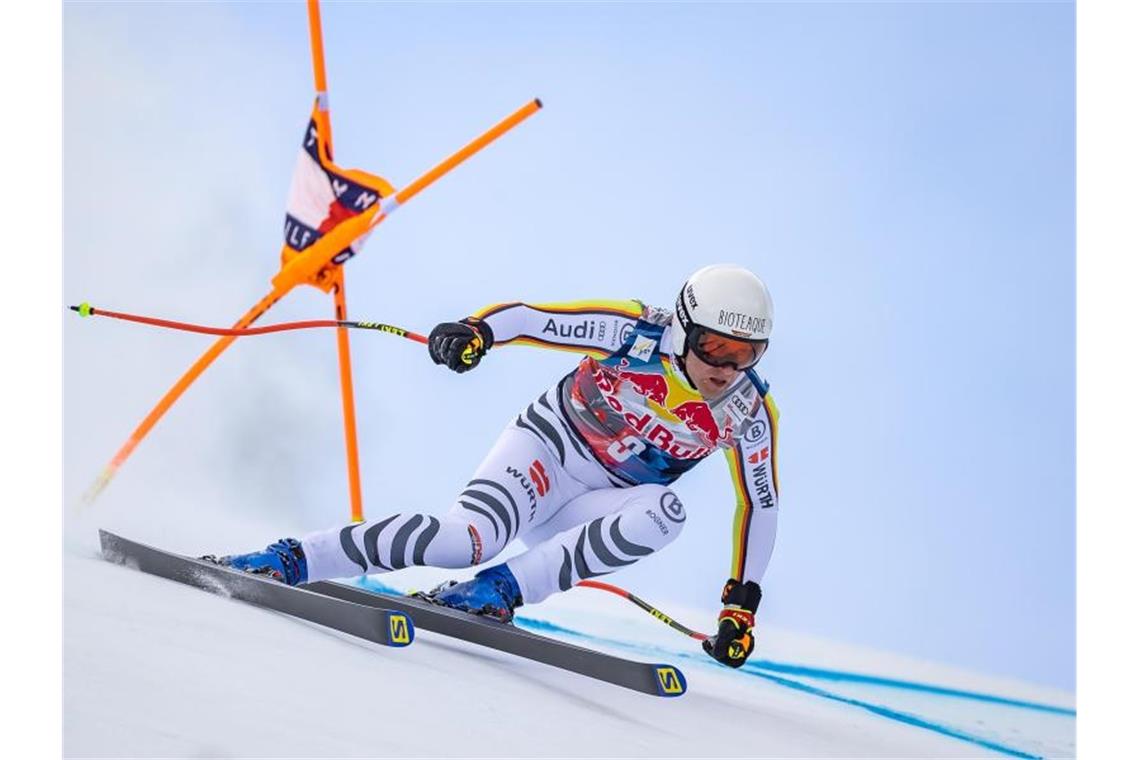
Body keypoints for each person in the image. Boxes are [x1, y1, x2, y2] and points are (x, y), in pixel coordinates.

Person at [212, 264, 780, 668]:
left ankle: (498, 591)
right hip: (547, 454)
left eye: (745, 354)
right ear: (684, 327)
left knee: (667, 512)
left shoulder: (748, 410)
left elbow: (760, 504)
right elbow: (534, 319)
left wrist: (741, 604)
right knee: (468, 540)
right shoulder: (636, 332)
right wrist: (477, 332)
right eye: (714, 347)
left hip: (593, 505)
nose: (726, 368)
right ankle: (292, 558)